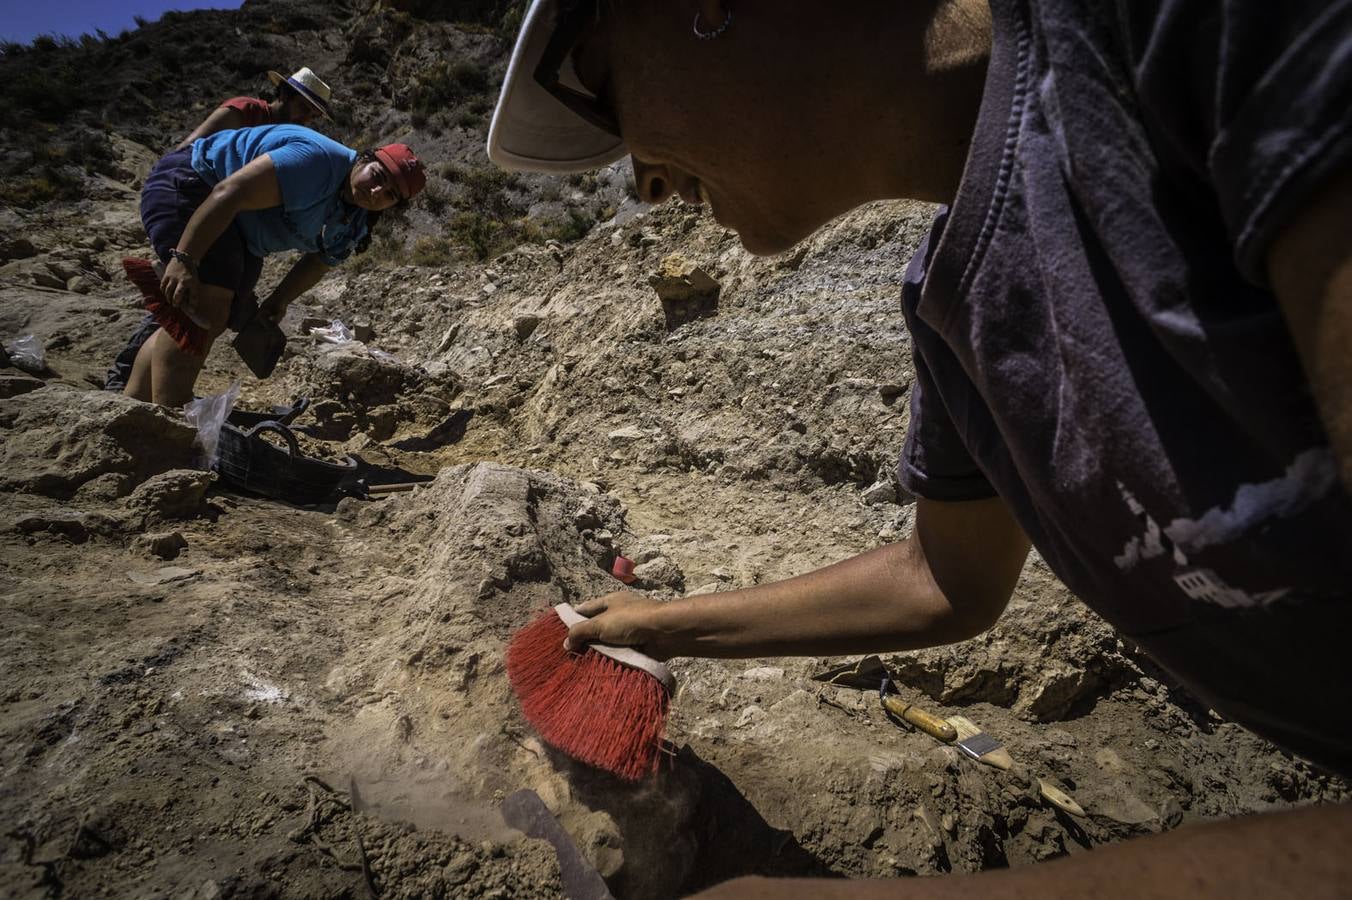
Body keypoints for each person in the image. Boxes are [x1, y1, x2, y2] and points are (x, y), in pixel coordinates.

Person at [486, 0, 1352, 896]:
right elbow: (944, 581)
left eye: (605, 91)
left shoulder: (1202, 34)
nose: (645, 185)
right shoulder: (953, 308)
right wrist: (655, 626)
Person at [123, 125, 425, 406]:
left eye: (388, 195)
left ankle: (135, 406)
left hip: (239, 231)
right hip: (194, 184)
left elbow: (319, 260)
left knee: (216, 315)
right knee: (206, 309)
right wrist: (185, 258)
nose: (375, 193)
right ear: (365, 159)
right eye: (377, 177)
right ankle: (169, 414)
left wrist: (277, 302)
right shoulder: (316, 162)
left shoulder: (356, 222)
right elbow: (230, 193)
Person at [105, 66, 335, 392]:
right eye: (303, 108)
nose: (305, 119)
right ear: (284, 94)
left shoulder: (290, 141)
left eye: (313, 115)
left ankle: (152, 383)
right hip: (195, 194)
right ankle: (131, 382)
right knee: (198, 300)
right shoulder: (246, 111)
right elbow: (193, 149)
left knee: (226, 304)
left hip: (230, 218)